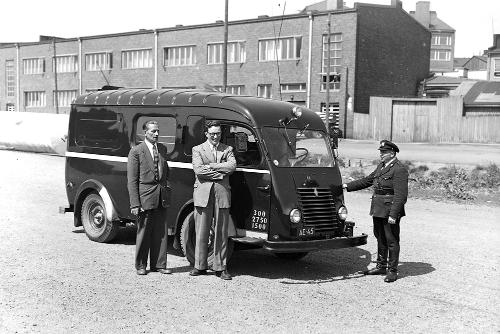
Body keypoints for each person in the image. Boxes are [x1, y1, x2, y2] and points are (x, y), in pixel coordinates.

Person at [343, 140, 408, 283]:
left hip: (390, 209)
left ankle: (392, 270)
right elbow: (367, 180)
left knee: (391, 239)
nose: (381, 154)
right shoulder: (381, 166)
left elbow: (401, 195)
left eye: (384, 152)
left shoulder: (399, 169)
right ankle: (381, 265)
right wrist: (346, 186)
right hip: (378, 207)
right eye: (381, 152)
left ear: (392, 153)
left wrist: (393, 214)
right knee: (380, 237)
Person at [190, 120, 236, 280]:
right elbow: (198, 170)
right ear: (206, 134)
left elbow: (231, 167)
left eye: (218, 133)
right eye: (212, 134)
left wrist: (211, 166)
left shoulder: (228, 149)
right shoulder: (197, 149)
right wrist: (220, 171)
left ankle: (220, 267)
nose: (215, 136)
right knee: (201, 231)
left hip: (222, 194)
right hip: (203, 194)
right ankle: (199, 266)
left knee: (222, 232)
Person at [127, 120, 171, 275]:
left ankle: (159, 264)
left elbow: (166, 173)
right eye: (153, 131)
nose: (156, 134)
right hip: (145, 197)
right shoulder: (136, 151)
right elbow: (132, 180)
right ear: (145, 132)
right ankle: (140, 265)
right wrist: (135, 203)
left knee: (161, 232)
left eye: (158, 131)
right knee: (144, 231)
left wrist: (167, 189)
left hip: (161, 196)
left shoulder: (163, 149)